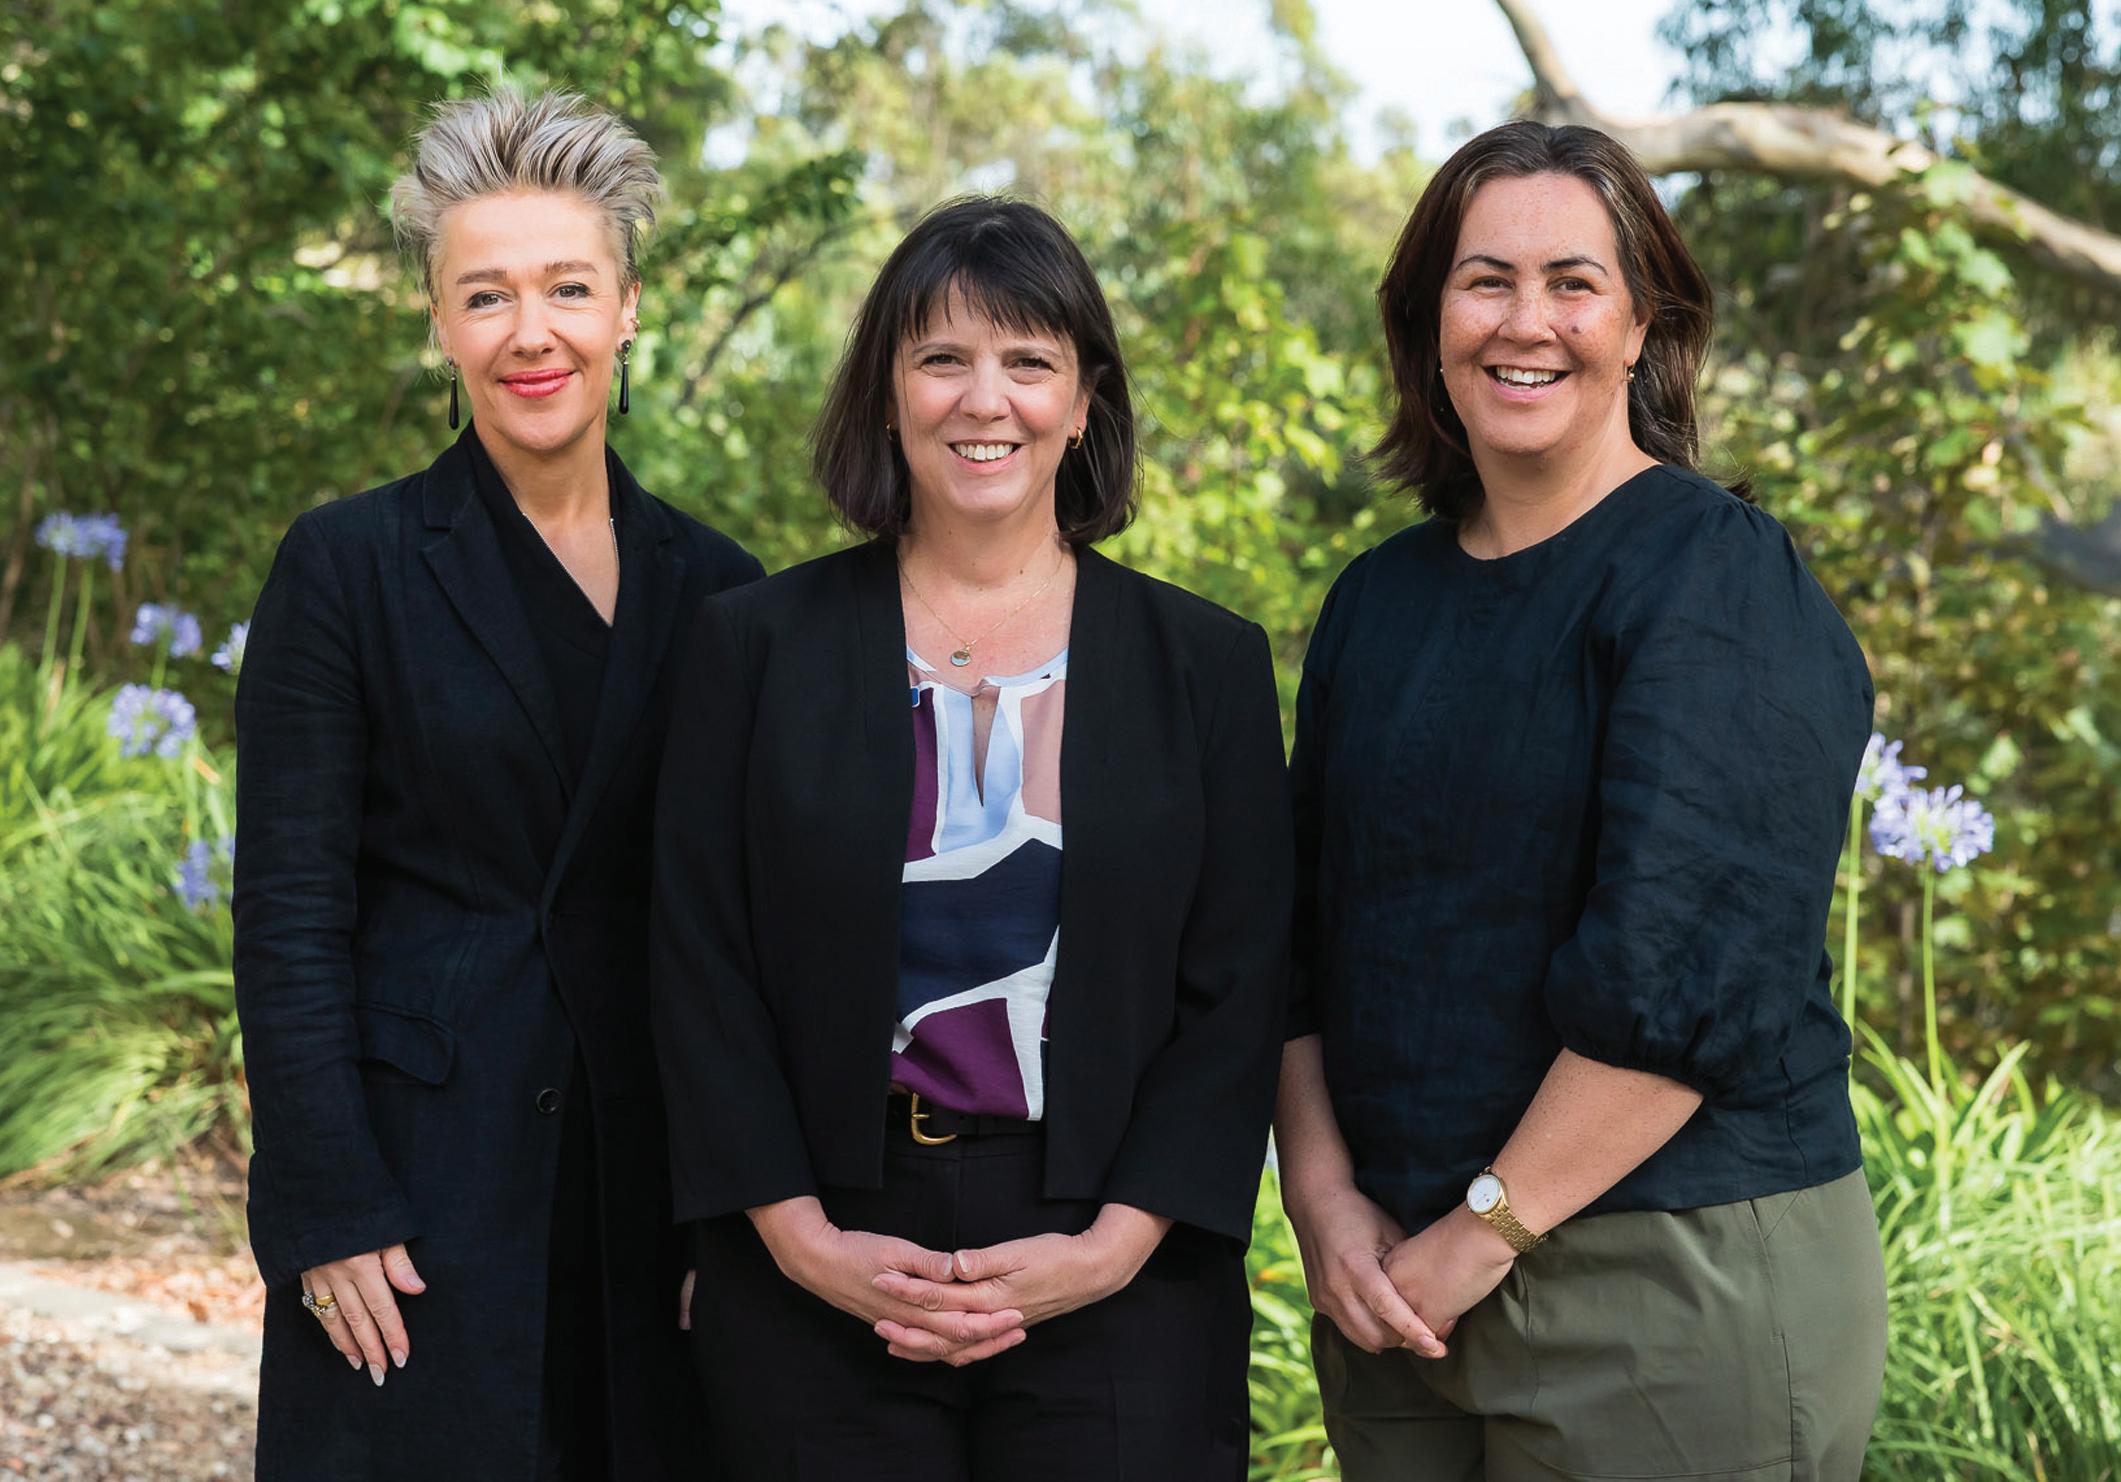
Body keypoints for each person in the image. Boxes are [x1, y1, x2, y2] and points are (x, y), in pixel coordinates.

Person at [1278, 120, 1888, 1481]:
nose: (1524, 321)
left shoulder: (1718, 579)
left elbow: (1690, 965)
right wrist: (1318, 1199)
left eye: (1573, 282)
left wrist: (1488, 1228)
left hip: (1666, 1275)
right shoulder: (1375, 603)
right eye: (1484, 280)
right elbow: (1296, 934)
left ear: (1641, 326)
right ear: (1428, 320)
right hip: (1393, 1290)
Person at [649, 196, 1289, 1481]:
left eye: (1028, 361)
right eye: (942, 358)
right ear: (887, 394)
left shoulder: (1204, 664)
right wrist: (799, 1240)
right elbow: (696, 958)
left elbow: (1242, 983)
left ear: (1085, 400)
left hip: (1117, 1263)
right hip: (823, 1251)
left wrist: (1111, 1246)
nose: (983, 400)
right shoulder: (753, 647)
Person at [232, 88, 762, 1481]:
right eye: (486, 295)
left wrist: (737, 1219)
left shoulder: (721, 592)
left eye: (568, 287)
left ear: (629, 307)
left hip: (648, 1207)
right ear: (439, 322)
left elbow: (735, 938)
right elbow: (288, 917)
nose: (532, 331)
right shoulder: (345, 567)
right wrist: (327, 1203)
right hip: (415, 1204)